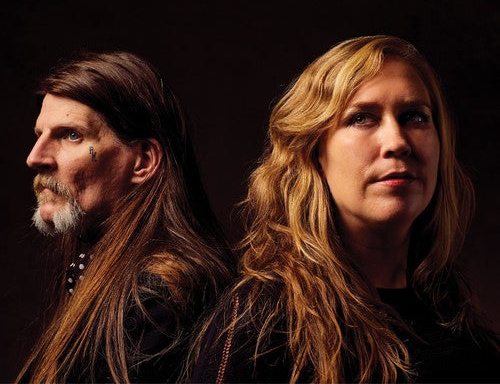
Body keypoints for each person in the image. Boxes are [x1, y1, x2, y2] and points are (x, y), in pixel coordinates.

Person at [192, 36, 500, 383]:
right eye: (362, 118)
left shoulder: (462, 331)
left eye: (414, 117)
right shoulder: (260, 321)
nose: (397, 142)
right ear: (314, 153)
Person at [18, 51, 234, 383]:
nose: (35, 158)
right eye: (39, 135)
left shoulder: (155, 298)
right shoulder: (111, 272)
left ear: (143, 161)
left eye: (71, 135)